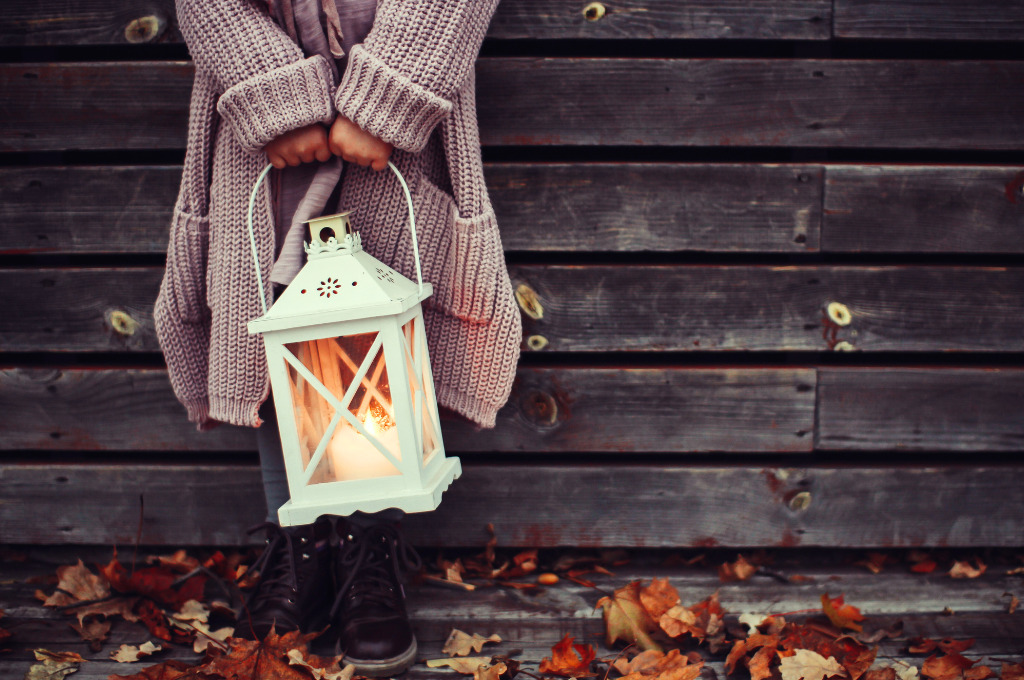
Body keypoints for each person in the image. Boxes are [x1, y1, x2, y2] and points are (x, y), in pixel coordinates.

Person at [153, 0, 522, 674]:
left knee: (376, 323)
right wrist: (271, 94)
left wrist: (388, 97)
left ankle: (368, 547)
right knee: (275, 326)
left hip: (398, 137)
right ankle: (301, 546)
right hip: (258, 137)